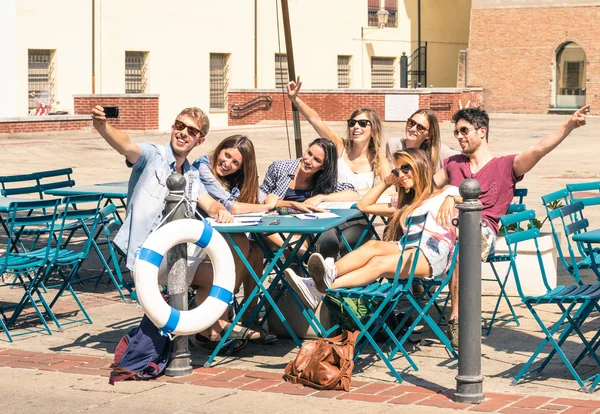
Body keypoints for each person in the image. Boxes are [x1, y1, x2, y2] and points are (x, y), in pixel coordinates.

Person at [91, 106, 261, 351]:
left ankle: (209, 328)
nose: (183, 133)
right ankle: (217, 325)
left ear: (199, 139)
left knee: (231, 259)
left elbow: (209, 203)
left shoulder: (191, 174)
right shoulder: (153, 156)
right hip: (148, 256)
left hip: (178, 254)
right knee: (235, 248)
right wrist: (103, 126)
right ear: (173, 127)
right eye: (179, 126)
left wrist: (220, 211)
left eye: (191, 131)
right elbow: (128, 146)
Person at [434, 105, 591, 349]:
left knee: (463, 247)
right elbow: (425, 190)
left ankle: (457, 319)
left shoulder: (506, 166)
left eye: (464, 130)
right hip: (441, 229)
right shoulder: (452, 164)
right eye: (456, 133)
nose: (460, 137)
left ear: (482, 131)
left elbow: (539, 149)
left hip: (479, 229)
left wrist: (569, 125)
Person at [284, 148, 459, 310]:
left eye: (406, 168)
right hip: (408, 246)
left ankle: (320, 289)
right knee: (372, 246)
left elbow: (477, 201)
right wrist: (387, 181)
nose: (402, 175)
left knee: (378, 263)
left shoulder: (446, 192)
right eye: (398, 171)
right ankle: (327, 275)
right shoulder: (405, 204)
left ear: (423, 165)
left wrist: (452, 199)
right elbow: (364, 205)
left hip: (433, 252)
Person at [192, 135, 278, 344]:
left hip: (219, 240)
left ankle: (247, 317)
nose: (227, 164)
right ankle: (221, 319)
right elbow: (233, 207)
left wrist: (285, 203)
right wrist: (268, 207)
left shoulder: (235, 179)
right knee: (242, 244)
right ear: (220, 149)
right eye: (226, 155)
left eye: (235, 163)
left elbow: (261, 195)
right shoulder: (202, 167)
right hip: (196, 243)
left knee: (255, 250)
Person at [286, 76, 383, 257]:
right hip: (327, 214)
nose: (356, 127)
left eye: (363, 123)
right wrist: (295, 99)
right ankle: (322, 281)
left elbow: (391, 188)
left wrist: (359, 194)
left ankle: (337, 280)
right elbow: (317, 121)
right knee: (327, 242)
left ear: (373, 129)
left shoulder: (378, 159)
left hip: (356, 219)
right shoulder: (340, 147)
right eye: (352, 123)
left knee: (350, 241)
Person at [259, 138, 360, 255]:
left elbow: (353, 194)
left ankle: (299, 265)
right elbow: (260, 196)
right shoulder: (280, 167)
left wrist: (320, 197)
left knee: (316, 243)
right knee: (297, 250)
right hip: (274, 225)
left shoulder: (322, 180)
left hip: (304, 229)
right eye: (309, 153)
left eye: (316, 160)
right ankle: (303, 258)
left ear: (323, 166)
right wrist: (288, 204)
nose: (308, 161)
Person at [383, 108, 459, 175]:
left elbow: (463, 157)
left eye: (420, 128)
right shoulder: (394, 145)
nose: (412, 129)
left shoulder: (438, 151)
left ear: (429, 135)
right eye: (411, 123)